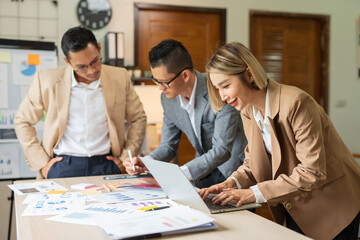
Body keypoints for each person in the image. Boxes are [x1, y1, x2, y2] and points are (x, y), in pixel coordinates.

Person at [199, 42, 360, 240]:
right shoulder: (248, 110)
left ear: (249, 75)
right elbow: (253, 162)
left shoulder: (297, 103)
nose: (222, 96)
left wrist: (253, 193)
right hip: (297, 203)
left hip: (333, 204)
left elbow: (312, 172)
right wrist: (232, 182)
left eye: (226, 86)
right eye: (218, 89)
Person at [14, 26, 147, 179]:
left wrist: (125, 159)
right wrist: (42, 163)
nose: (91, 70)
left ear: (99, 48)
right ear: (68, 62)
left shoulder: (120, 76)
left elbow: (138, 118)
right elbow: (22, 121)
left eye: (95, 61)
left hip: (108, 164)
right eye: (82, 67)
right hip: (62, 165)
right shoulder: (46, 80)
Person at [123, 39, 247, 188]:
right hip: (203, 172)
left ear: (185, 75)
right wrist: (146, 162)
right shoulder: (168, 99)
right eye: (156, 81)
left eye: (164, 82)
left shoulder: (218, 91)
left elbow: (221, 150)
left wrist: (181, 174)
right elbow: (168, 146)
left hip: (234, 170)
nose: (160, 88)